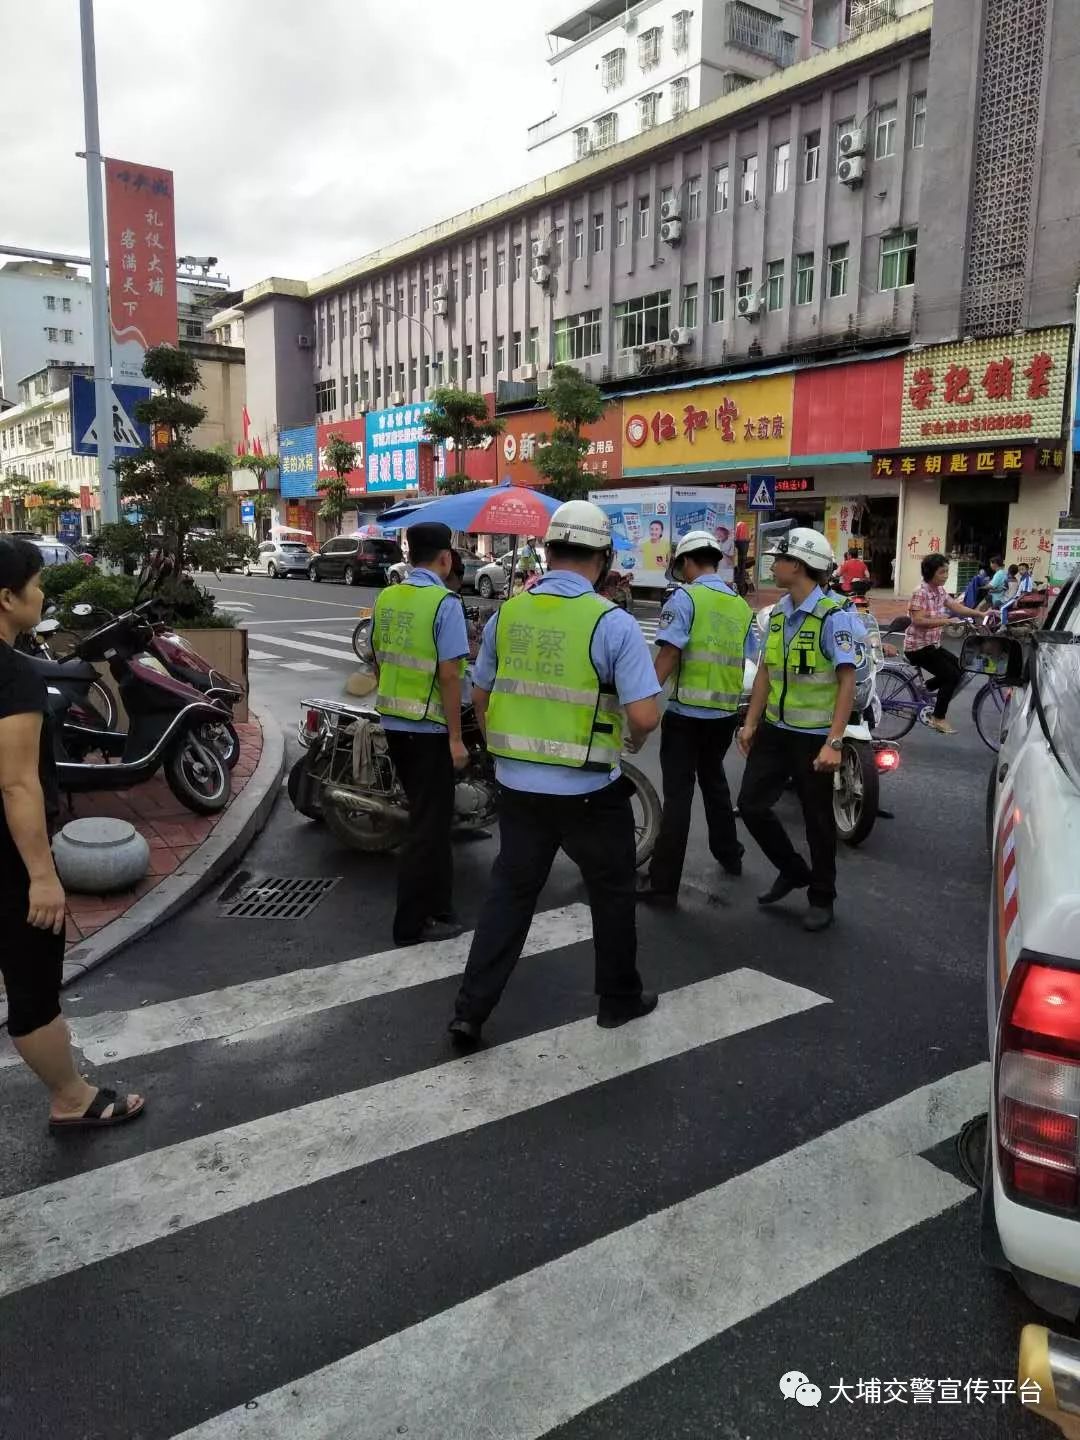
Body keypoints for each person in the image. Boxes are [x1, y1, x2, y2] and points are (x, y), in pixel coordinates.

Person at [450, 501, 662, 1044]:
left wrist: (505, 747)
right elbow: (643, 715)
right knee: (612, 892)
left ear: (548, 551)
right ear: (604, 558)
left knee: (510, 896)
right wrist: (631, 729)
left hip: (518, 788)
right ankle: (617, 1000)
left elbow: (480, 692)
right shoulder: (612, 623)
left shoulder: (508, 615)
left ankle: (470, 1012)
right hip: (590, 790)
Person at [0, 538, 145, 1130]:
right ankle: (71, 1097)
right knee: (34, 991)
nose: (42, 594)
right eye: (35, 584)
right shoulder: (12, 676)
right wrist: (41, 876)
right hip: (8, 859)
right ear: (8, 598)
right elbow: (17, 785)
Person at [736, 527, 861, 933]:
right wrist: (752, 721)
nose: (772, 565)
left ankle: (822, 896)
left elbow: (847, 680)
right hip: (775, 730)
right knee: (751, 805)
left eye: (779, 558)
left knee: (817, 820)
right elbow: (766, 674)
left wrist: (835, 742)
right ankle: (792, 869)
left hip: (814, 735)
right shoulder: (776, 615)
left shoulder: (833, 616)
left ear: (800, 565)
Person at [636, 531, 756, 907]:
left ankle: (663, 885)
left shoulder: (685, 598)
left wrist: (645, 696)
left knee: (679, 798)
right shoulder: (739, 604)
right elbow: (748, 656)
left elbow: (669, 654)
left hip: (687, 714)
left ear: (687, 562)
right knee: (715, 781)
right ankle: (730, 853)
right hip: (723, 714)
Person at [372, 521, 469, 945]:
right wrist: (455, 737)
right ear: (445, 558)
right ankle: (410, 926)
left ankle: (442, 907)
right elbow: (450, 676)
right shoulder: (444, 604)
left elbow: (376, 656)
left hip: (394, 723)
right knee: (425, 829)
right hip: (429, 729)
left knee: (433, 821)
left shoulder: (388, 597)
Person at [903, 551, 985, 735]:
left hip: (931, 645)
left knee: (961, 667)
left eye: (947, 572)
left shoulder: (939, 591)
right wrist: (946, 621)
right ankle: (938, 718)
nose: (946, 576)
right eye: (942, 572)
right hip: (917, 648)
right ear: (930, 572)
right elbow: (918, 621)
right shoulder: (920, 593)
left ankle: (925, 688)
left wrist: (979, 614)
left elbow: (956, 606)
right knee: (951, 676)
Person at [734, 518, 751, 595]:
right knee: (741, 564)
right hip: (743, 544)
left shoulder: (739, 527)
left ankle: (740, 583)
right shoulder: (744, 528)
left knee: (741, 564)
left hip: (741, 544)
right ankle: (740, 583)